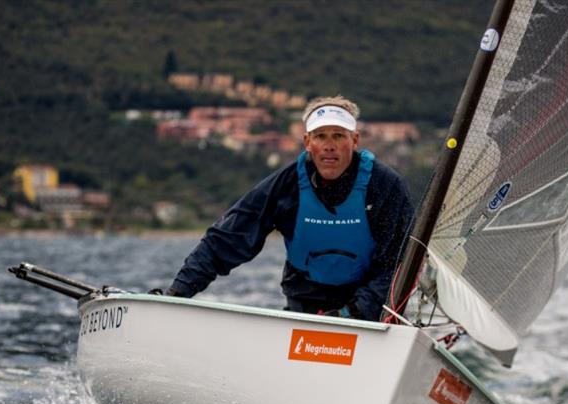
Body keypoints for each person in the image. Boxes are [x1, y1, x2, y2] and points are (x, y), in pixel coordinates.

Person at [163, 95, 414, 321]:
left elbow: (400, 261)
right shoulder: (286, 186)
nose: (329, 146)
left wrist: (354, 312)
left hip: (372, 314)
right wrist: (177, 292)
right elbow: (226, 240)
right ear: (307, 142)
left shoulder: (384, 186)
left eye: (338, 136)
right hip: (305, 307)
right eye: (320, 136)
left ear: (355, 140)